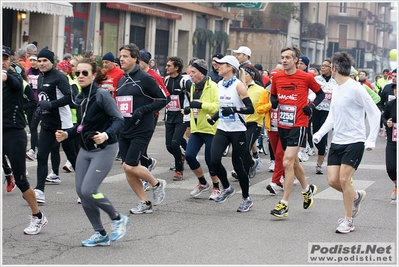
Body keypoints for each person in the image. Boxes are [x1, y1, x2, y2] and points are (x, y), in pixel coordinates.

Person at [55, 58, 129, 246]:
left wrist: (105, 135)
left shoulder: (101, 95)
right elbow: (82, 126)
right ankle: (100, 233)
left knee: (89, 190)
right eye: (77, 72)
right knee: (81, 191)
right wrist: (67, 133)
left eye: (85, 73)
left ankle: (117, 217)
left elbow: (119, 120)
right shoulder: (81, 98)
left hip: (104, 148)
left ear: (94, 75)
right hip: (85, 150)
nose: (80, 76)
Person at [313, 51, 380, 234]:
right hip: (337, 141)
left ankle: (348, 220)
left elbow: (375, 112)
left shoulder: (357, 88)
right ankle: (356, 196)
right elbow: (332, 116)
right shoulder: (336, 89)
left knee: (344, 179)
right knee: (333, 181)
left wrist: (371, 140)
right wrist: (319, 133)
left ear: (334, 68)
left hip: (355, 141)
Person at [269, 46, 325, 218]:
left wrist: (311, 106)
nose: (284, 60)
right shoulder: (277, 78)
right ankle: (308, 189)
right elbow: (273, 95)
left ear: (296, 60)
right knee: (293, 163)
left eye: (287, 57)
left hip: (299, 123)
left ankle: (284, 204)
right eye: (282, 57)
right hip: (282, 124)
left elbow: (321, 94)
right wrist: (274, 102)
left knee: (286, 162)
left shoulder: (306, 77)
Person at [117, 43, 168, 214]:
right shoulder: (122, 79)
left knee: (131, 164)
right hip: (125, 128)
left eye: (125, 56)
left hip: (142, 128)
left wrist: (143, 110)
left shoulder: (145, 78)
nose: (121, 59)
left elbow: (164, 99)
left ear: (135, 58)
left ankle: (157, 184)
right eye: (121, 56)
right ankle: (144, 202)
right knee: (126, 167)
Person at [3, 45, 48, 234]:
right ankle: (8, 174)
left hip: (14, 134)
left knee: (22, 180)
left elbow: (12, 81)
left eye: (4, 58)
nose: (2, 61)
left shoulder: (14, 78)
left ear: (10, 59)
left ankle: (38, 216)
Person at [209, 55, 255, 212]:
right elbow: (223, 106)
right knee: (214, 159)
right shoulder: (219, 84)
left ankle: (246, 198)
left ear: (230, 67)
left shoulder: (239, 85)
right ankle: (227, 188)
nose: (218, 66)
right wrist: (214, 118)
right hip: (222, 129)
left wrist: (234, 109)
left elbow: (250, 109)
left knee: (238, 165)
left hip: (238, 131)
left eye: (222, 64)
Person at [34, 47, 76, 202]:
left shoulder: (59, 77)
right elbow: (42, 98)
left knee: (72, 157)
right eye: (39, 61)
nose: (41, 63)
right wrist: (40, 109)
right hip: (47, 124)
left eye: (45, 60)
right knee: (41, 156)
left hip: (63, 124)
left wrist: (51, 105)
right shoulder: (40, 77)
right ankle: (39, 190)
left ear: (52, 62)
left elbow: (69, 97)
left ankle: (84, 189)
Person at [182, 59, 221, 200]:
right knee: (189, 156)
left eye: (193, 72)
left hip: (210, 128)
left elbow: (217, 107)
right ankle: (203, 182)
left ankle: (216, 187)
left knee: (211, 160)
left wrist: (200, 105)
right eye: (190, 71)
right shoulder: (193, 87)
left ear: (201, 72)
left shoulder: (213, 86)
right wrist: (188, 109)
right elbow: (194, 105)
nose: (190, 74)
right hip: (197, 128)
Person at [138, 49, 171, 190]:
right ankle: (148, 164)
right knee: (136, 150)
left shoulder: (153, 77)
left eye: (138, 60)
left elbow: (166, 97)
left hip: (150, 116)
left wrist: (151, 109)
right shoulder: (133, 76)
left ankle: (147, 179)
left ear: (143, 62)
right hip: (136, 117)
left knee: (141, 148)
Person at [256, 69, 285, 195]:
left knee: (279, 155)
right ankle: (289, 175)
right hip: (271, 128)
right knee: (279, 156)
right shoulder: (266, 92)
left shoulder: (286, 91)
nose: (274, 82)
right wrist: (270, 105)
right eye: (272, 79)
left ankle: (275, 182)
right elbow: (259, 108)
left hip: (285, 128)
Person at [164, 56, 192, 181]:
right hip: (169, 115)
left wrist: (189, 108)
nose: (166, 67)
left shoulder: (184, 81)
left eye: (169, 65)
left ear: (176, 68)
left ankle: (178, 169)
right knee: (169, 145)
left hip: (182, 116)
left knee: (176, 142)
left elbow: (195, 94)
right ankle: (180, 156)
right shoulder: (166, 80)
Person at [313, 59, 336, 174]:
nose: (322, 68)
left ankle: (319, 163)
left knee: (322, 136)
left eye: (326, 66)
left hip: (328, 111)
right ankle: (323, 150)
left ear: (331, 68)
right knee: (315, 135)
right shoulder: (316, 79)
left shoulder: (335, 82)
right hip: (316, 109)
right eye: (322, 65)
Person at [382, 83, 397, 202]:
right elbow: (384, 117)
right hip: (393, 140)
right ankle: (397, 184)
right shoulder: (391, 104)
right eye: (396, 89)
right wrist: (387, 123)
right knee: (391, 168)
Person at [25, 55, 41, 160]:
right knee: (31, 126)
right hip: (30, 103)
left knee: (34, 125)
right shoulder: (27, 73)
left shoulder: (41, 73)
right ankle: (39, 146)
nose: (32, 62)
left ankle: (32, 150)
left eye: (34, 60)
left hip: (39, 103)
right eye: (31, 60)